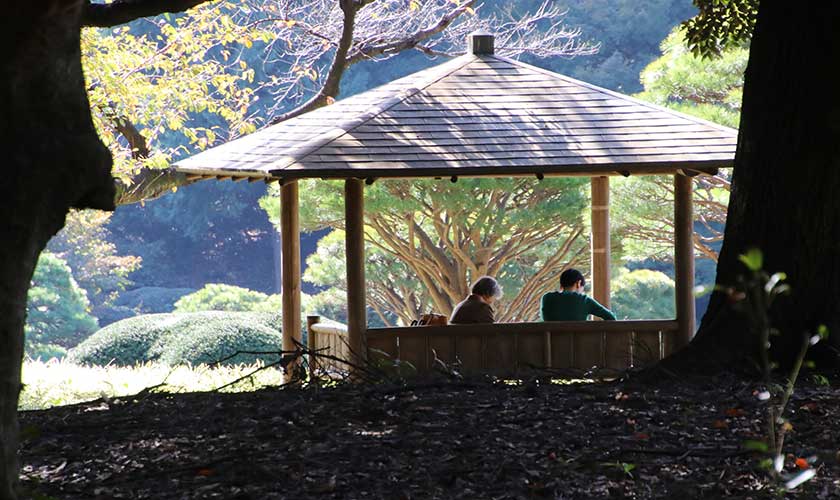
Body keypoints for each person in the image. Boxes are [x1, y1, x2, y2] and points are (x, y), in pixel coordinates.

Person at [540, 268, 616, 321]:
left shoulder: (547, 298)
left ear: (561, 284)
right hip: (580, 344)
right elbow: (611, 317)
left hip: (550, 343)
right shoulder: (584, 300)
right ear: (578, 283)